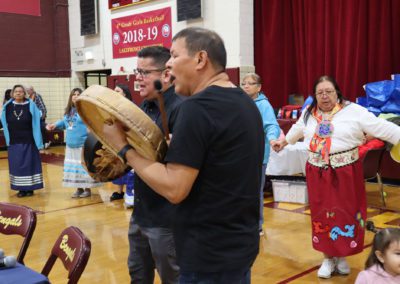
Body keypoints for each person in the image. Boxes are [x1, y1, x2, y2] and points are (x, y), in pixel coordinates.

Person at [103, 27, 264, 283]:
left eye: (175, 56)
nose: (168, 65)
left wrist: (124, 148)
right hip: (238, 245)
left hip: (207, 255)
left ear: (200, 59)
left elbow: (175, 188)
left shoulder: (196, 108)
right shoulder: (245, 103)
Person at [271, 75, 400, 279]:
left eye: (329, 91)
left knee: (346, 214)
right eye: (320, 92)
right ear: (315, 95)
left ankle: (342, 256)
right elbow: (297, 130)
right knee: (323, 215)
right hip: (317, 173)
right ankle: (327, 257)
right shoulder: (309, 113)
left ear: (337, 92)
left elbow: (382, 128)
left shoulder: (354, 111)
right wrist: (283, 142)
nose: (324, 96)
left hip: (346, 172)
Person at [241, 72, 280, 236]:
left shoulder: (264, 105)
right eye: (243, 83)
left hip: (257, 156)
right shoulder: (240, 102)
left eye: (250, 83)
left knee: (255, 191)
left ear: (259, 87)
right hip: (240, 155)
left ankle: (257, 225)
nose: (246, 86)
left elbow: (272, 126)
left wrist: (272, 139)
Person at [46, 88, 102, 198]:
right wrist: (55, 125)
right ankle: (79, 188)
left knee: (84, 167)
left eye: (78, 94)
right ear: (71, 97)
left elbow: (94, 121)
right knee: (74, 168)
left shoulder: (85, 109)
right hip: (71, 145)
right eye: (74, 94)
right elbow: (64, 122)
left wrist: (91, 129)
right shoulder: (69, 111)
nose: (76, 96)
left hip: (83, 144)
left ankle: (87, 189)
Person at [0, 84, 44, 197]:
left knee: (30, 165)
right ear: (12, 94)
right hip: (14, 141)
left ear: (24, 93)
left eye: (20, 91)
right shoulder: (7, 107)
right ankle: (21, 189)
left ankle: (30, 189)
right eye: (16, 92)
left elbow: (39, 117)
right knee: (17, 166)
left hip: (29, 140)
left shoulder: (31, 105)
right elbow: (3, 120)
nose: (18, 93)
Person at [109, 84, 135, 206]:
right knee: (118, 166)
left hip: (129, 140)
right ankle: (119, 191)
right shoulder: (112, 106)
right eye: (114, 90)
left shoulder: (130, 107)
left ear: (125, 93)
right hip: (116, 140)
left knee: (128, 167)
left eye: (118, 91)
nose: (115, 92)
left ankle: (131, 194)